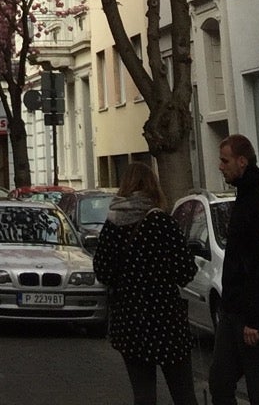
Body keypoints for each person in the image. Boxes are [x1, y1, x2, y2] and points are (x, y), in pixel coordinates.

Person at [93, 159, 197, 405]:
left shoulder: (113, 226)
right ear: (153, 186)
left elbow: (103, 272)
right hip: (166, 321)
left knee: (144, 394)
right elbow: (186, 271)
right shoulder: (162, 223)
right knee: (183, 393)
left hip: (130, 322)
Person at [208, 135, 259, 405]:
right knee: (220, 381)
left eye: (224, 160)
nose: (220, 166)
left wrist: (254, 318)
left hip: (252, 317)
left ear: (242, 161)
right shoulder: (244, 199)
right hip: (234, 311)